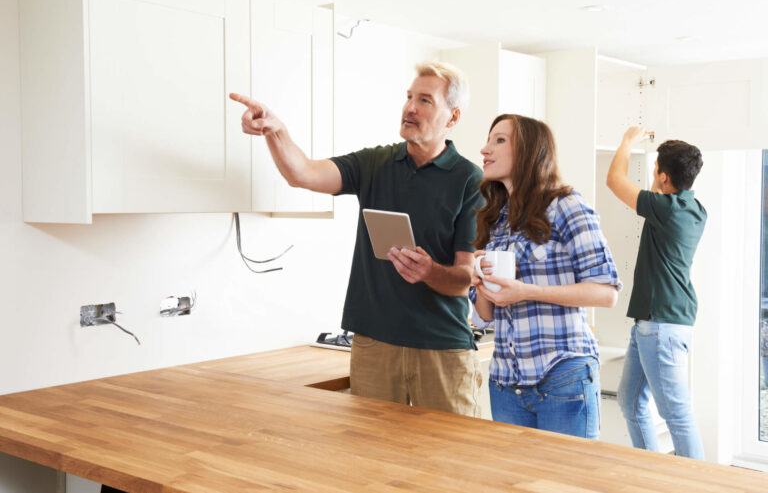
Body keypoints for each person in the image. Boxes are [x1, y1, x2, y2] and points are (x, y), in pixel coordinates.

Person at [230, 61, 484, 416]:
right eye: (409, 97)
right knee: (371, 461)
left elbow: (464, 279)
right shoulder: (375, 163)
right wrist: (276, 130)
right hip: (374, 344)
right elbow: (303, 173)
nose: (410, 107)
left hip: (441, 347)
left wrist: (429, 271)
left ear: (452, 118)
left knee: (450, 463)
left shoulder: (470, 179)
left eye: (425, 100)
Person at [470, 114, 620, 439]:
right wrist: (482, 283)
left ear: (529, 151)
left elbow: (605, 292)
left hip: (562, 375)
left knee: (567, 484)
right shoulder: (495, 218)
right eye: (488, 139)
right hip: (506, 383)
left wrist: (525, 290)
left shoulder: (567, 205)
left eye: (499, 140)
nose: (485, 149)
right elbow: (484, 317)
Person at [606, 127, 706, 459]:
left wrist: (627, 142)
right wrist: (659, 175)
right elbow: (656, 193)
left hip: (660, 325)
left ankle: (696, 482)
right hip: (657, 321)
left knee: (676, 413)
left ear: (663, 177)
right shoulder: (692, 209)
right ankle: (652, 471)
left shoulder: (665, 209)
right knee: (630, 401)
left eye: (656, 173)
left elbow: (615, 181)